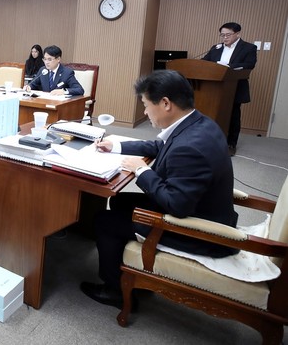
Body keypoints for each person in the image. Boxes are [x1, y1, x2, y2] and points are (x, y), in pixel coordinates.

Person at [80, 69, 238, 308]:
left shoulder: (190, 148)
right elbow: (159, 146)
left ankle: (115, 291)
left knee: (104, 221)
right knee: (120, 201)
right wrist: (115, 146)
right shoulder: (198, 123)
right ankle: (128, 268)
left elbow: (177, 205)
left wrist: (142, 171)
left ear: (165, 103)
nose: (144, 112)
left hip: (200, 232)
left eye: (145, 105)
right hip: (205, 208)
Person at [201, 22, 257, 156]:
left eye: (228, 35)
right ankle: (208, 141)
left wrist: (227, 66)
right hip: (213, 88)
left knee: (233, 115)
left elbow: (249, 64)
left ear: (237, 34)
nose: (225, 38)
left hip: (234, 87)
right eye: (222, 35)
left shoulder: (249, 47)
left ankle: (231, 144)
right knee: (211, 114)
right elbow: (204, 61)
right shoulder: (216, 48)